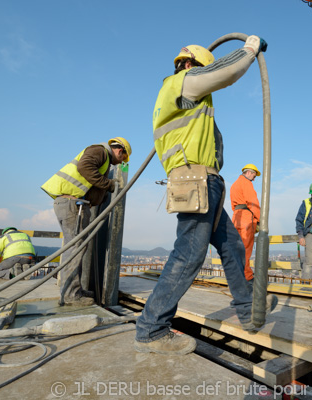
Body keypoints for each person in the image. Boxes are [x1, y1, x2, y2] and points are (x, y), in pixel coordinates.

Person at [135, 36, 277, 355]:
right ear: (191, 66)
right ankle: (151, 328)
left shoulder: (192, 103)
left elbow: (217, 151)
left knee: (232, 245)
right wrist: (249, 49)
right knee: (189, 254)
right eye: (202, 70)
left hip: (207, 183)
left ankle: (248, 311)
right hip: (194, 179)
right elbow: (227, 71)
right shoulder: (181, 83)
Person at [41, 137, 131, 306]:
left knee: (77, 247)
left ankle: (75, 289)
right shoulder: (100, 151)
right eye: (123, 158)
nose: (121, 163)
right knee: (75, 248)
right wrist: (110, 184)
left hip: (72, 204)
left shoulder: (102, 157)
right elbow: (85, 167)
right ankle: (71, 294)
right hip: (73, 204)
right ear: (120, 151)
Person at [230, 164, 261, 282]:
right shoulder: (247, 183)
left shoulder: (234, 184)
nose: (254, 178)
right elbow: (253, 203)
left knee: (236, 248)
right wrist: (260, 219)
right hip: (247, 218)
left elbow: (234, 205)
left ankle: (236, 275)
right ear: (248, 172)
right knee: (246, 248)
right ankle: (247, 277)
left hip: (236, 217)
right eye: (254, 175)